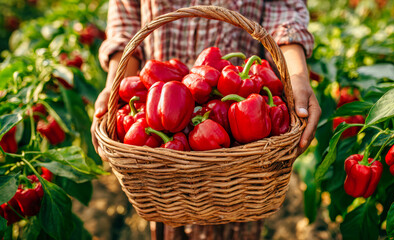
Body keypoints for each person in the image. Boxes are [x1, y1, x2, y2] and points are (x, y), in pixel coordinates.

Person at [90, 0, 321, 239]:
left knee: (238, 220)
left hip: (243, 167)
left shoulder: (246, 94)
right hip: (160, 158)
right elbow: (126, 21)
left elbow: (285, 12)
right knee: (170, 217)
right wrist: (115, 89)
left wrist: (297, 77)